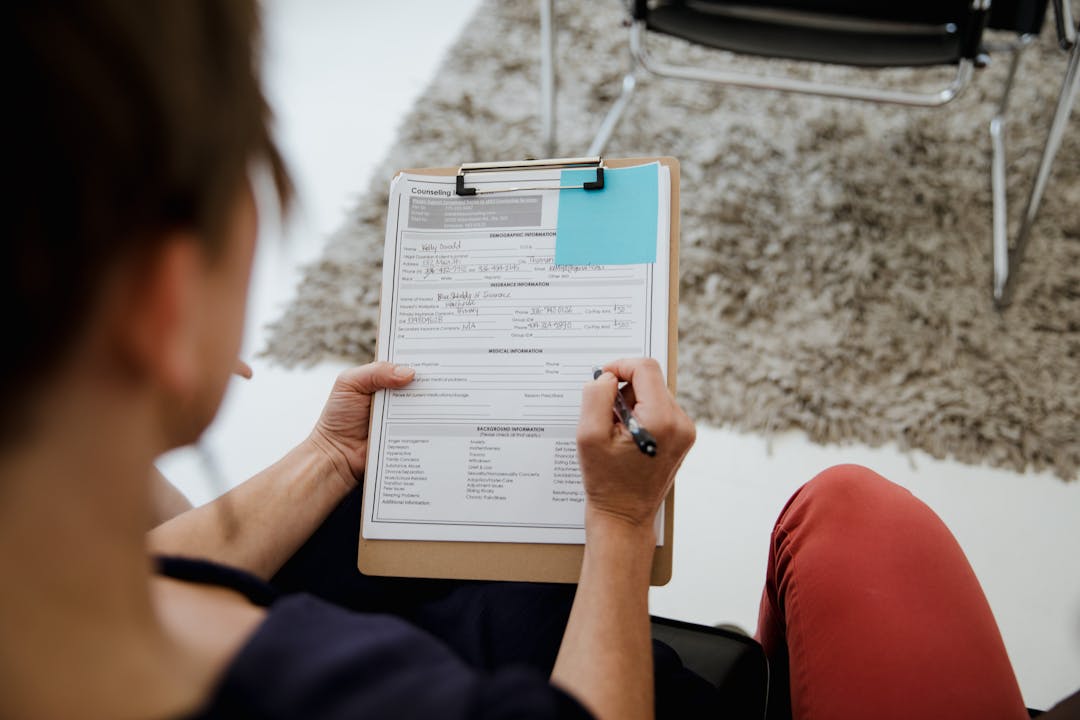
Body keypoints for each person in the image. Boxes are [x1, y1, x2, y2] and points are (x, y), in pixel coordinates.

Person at [3, 2, 1075, 719]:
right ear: (165, 303)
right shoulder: (344, 691)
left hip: (436, 589)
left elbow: (158, 560)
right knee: (857, 518)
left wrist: (331, 457)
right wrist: (618, 524)